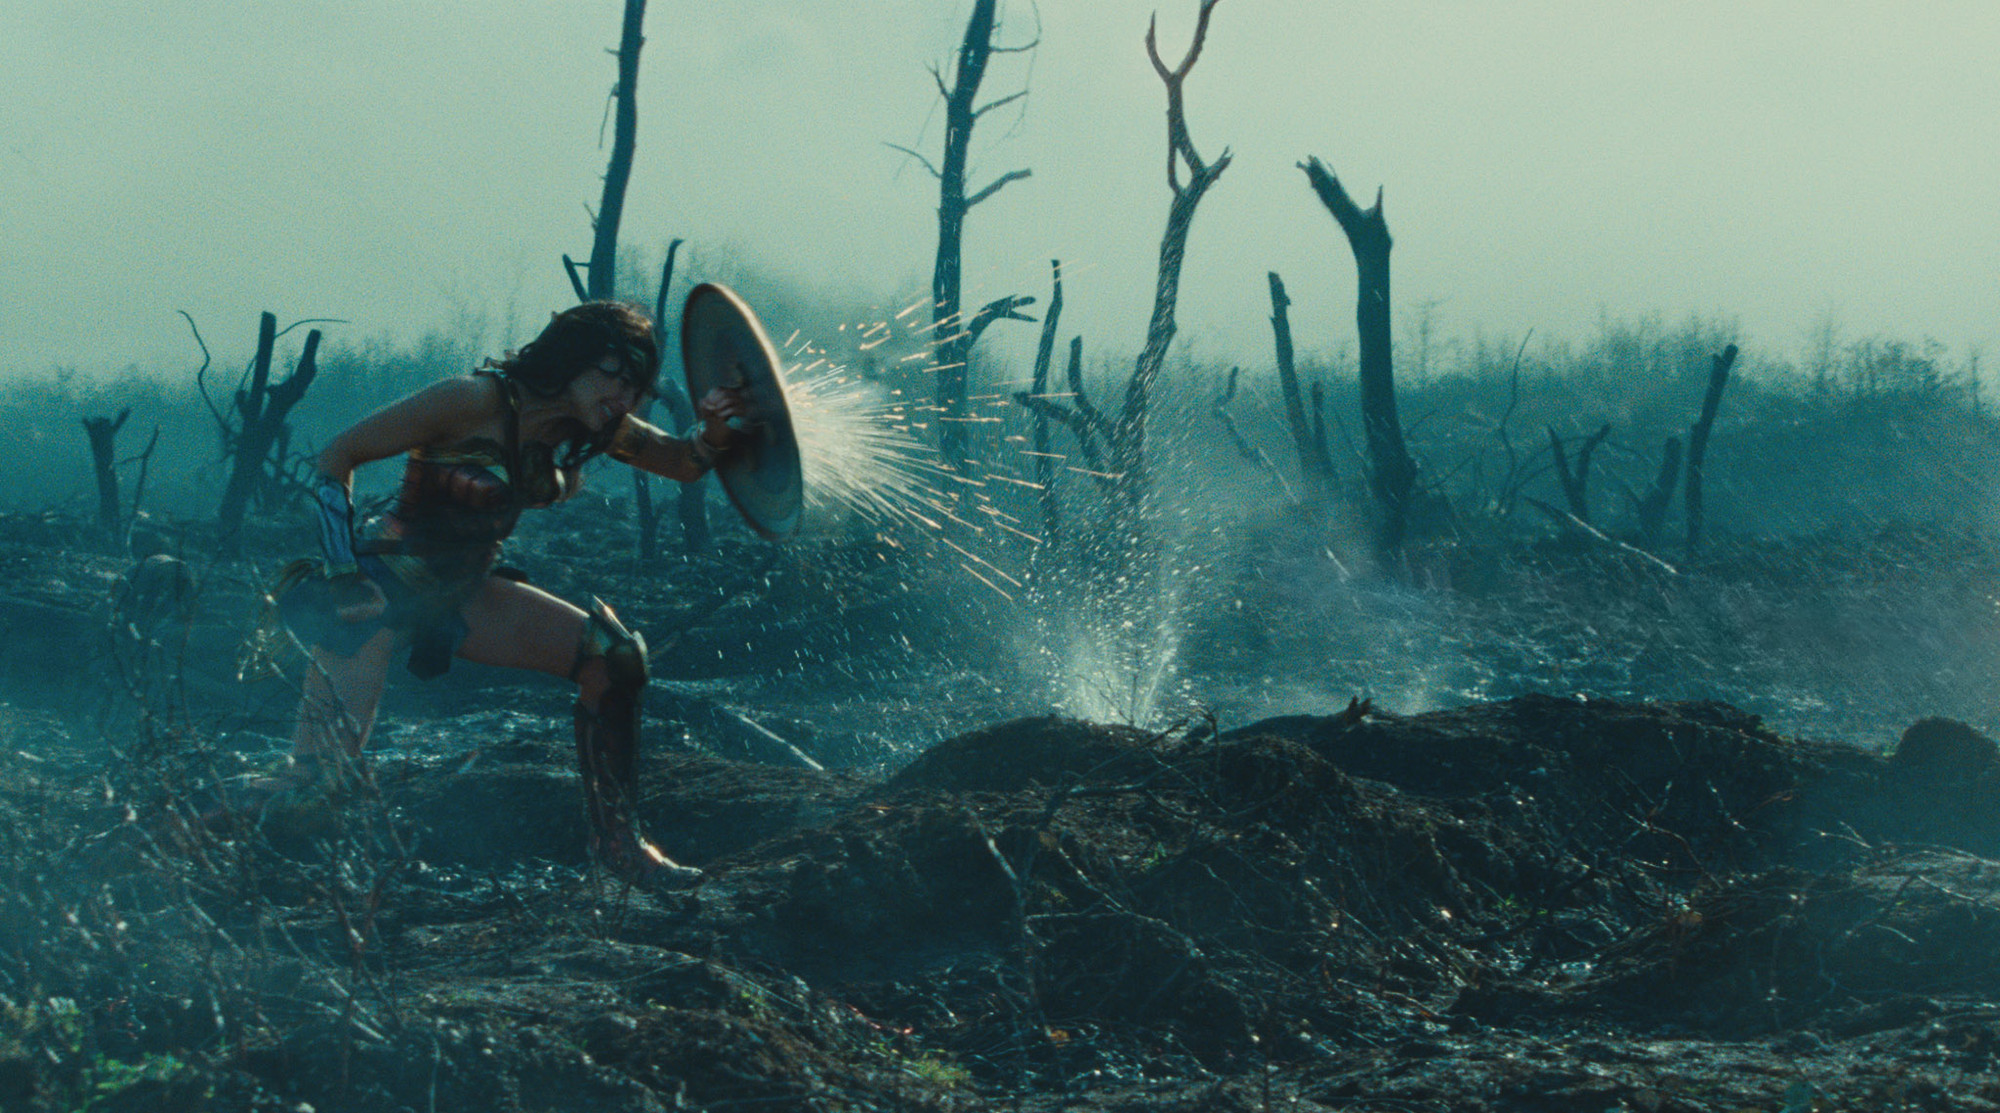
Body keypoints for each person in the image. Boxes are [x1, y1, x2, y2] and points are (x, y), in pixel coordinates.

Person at [272, 300, 745, 887]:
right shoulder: (469, 400)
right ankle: (178, 822)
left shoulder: (595, 420)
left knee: (614, 658)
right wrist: (343, 575)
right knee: (314, 791)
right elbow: (337, 455)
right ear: (570, 360)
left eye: (634, 386)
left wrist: (718, 428)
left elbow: (682, 461)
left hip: (465, 592)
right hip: (382, 591)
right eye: (613, 376)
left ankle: (620, 846)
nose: (623, 396)